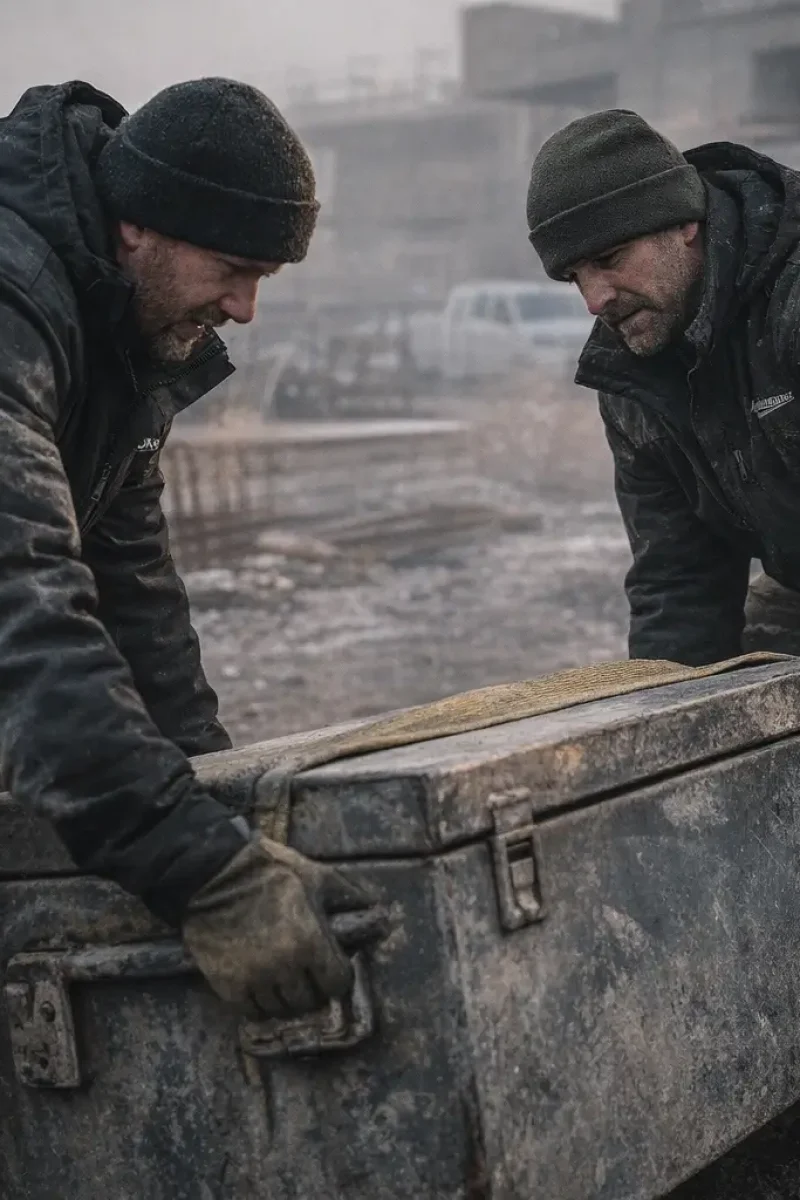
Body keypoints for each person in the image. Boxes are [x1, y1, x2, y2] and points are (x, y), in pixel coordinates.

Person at [0, 77, 374, 1019]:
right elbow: (21, 611)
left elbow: (135, 606)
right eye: (232, 267)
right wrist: (205, 875)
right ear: (138, 227)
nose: (245, 309)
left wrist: (226, 811)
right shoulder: (13, 302)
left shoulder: (119, 334)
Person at [526, 109, 800, 665]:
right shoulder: (632, 378)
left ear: (684, 222)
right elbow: (680, 581)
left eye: (609, 259)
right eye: (575, 276)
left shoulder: (791, 299)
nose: (595, 299)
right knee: (734, 681)